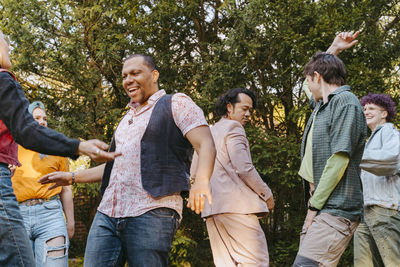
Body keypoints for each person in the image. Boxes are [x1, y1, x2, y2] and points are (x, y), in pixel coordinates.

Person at [39, 54, 216, 266]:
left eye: (135, 73)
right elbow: (114, 167)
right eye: (124, 76)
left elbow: (205, 143)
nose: (128, 80)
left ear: (154, 75)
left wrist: (202, 180)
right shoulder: (126, 120)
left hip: (152, 211)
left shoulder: (176, 103)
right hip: (108, 213)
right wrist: (71, 176)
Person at [0, 29, 119, 266]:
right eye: (6, 42)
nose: (10, 47)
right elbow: (27, 131)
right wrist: (79, 146)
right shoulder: (3, 79)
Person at [293, 31, 367, 267]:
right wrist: (333, 48)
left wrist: (314, 206)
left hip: (336, 207)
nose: (307, 85)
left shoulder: (346, 103)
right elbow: (308, 84)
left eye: (310, 78)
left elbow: (339, 159)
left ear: (318, 76)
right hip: (321, 205)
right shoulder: (322, 105)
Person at [190, 88, 275, 266]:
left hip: (212, 212)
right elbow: (243, 168)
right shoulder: (233, 127)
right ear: (229, 107)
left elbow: (194, 173)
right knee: (256, 262)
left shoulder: (207, 133)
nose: (248, 114)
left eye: (250, 110)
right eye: (244, 109)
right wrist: (266, 194)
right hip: (237, 208)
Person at [11, 101, 75, 267]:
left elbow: (66, 189)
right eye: (37, 117)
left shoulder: (56, 150)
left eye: (44, 118)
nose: (42, 121)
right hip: (17, 216)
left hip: (50, 215)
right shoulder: (10, 148)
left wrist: (71, 223)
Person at [353, 93, 400, 267]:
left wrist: (356, 155)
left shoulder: (390, 132)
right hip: (364, 213)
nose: (366, 112)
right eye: (364, 109)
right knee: (362, 263)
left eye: (371, 108)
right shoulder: (369, 141)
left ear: (384, 113)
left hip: (385, 210)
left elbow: (392, 160)